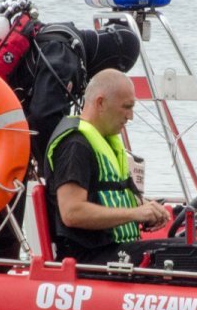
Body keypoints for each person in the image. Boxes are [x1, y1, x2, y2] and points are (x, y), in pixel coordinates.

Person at [0, 0, 141, 267]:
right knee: (3, 240)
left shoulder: (56, 38)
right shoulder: (67, 53)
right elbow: (44, 116)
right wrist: (57, 173)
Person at [44, 68, 173, 265]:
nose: (130, 116)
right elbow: (72, 213)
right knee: (191, 256)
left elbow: (108, 194)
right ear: (101, 103)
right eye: (126, 107)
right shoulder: (75, 146)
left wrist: (146, 207)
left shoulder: (104, 141)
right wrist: (135, 214)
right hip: (91, 256)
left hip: (114, 250)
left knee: (188, 246)